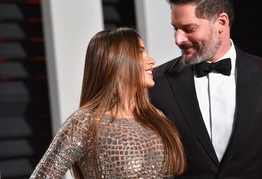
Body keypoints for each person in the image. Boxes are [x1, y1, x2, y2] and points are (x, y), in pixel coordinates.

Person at [30, 27, 186, 179]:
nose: (152, 61)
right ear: (117, 61)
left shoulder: (156, 118)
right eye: (140, 53)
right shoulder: (85, 123)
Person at [148, 0, 262, 178]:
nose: (178, 39)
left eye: (188, 29)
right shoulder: (157, 83)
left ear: (221, 22)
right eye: (175, 28)